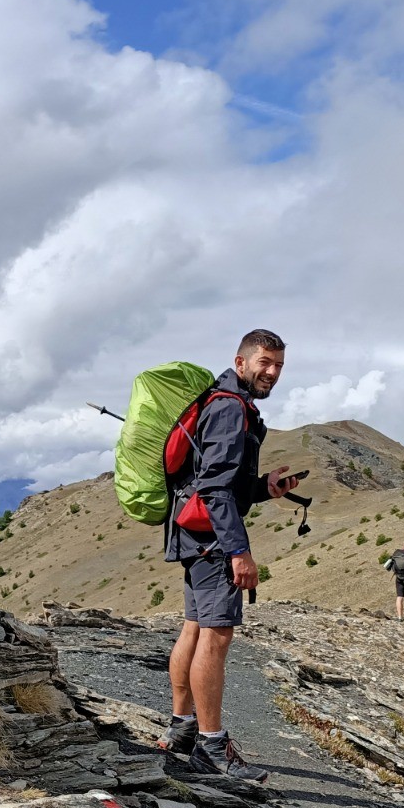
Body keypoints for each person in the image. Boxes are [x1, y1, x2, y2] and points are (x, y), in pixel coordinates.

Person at [157, 330, 300, 781]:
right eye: (264, 362)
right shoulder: (229, 408)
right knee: (216, 636)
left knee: (195, 627)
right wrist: (239, 551)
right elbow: (215, 488)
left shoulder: (224, 402)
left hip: (194, 533)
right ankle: (211, 747)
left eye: (278, 365)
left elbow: (218, 481)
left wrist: (263, 489)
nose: (272, 372)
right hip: (213, 540)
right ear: (240, 362)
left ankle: (183, 727)